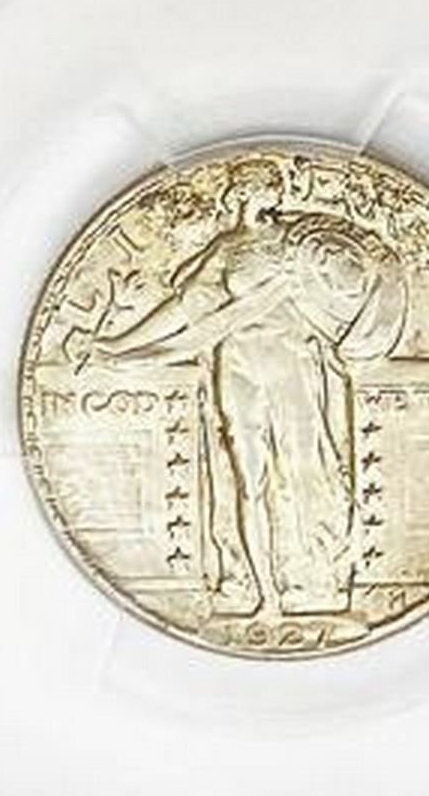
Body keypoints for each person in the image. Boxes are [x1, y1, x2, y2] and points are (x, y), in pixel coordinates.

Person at [74, 158, 407, 617]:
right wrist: (119, 345)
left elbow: (354, 292)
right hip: (238, 364)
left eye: (262, 188)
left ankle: (313, 581)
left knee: (303, 468)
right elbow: (185, 308)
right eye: (251, 189)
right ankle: (263, 594)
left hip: (291, 364)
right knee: (249, 479)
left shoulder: (298, 245)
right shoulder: (227, 248)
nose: (257, 197)